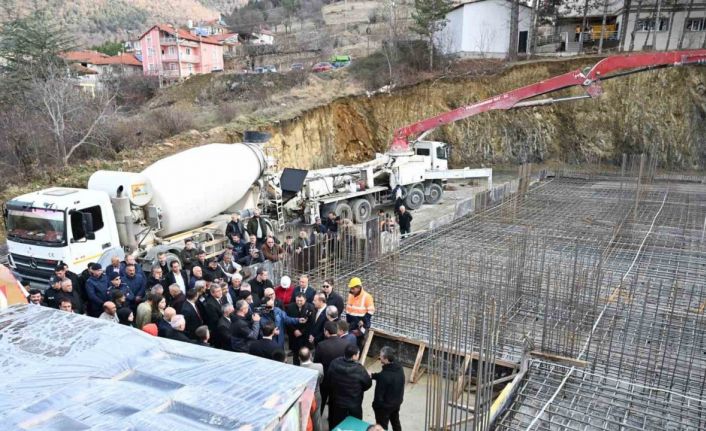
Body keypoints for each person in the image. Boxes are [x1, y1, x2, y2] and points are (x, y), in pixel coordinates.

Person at [325, 344, 373, 429]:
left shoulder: (334, 363)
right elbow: (368, 384)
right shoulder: (359, 369)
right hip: (353, 405)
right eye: (358, 354)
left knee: (336, 425)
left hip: (336, 402)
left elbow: (328, 380)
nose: (359, 355)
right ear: (354, 356)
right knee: (353, 426)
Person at [315, 321, 350, 413]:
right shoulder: (346, 344)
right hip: (339, 378)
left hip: (325, 379)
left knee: (321, 401)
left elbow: (317, 363)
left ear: (326, 332)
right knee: (334, 403)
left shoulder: (321, 345)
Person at [371, 346, 405, 431]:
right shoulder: (399, 368)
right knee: (395, 422)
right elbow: (388, 377)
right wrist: (373, 375)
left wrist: (375, 406)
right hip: (396, 402)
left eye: (381, 356)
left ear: (386, 359)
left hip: (385, 407)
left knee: (382, 427)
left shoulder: (384, 376)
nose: (380, 357)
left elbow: (379, 396)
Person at [345, 277, 375, 347]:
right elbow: (349, 308)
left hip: (361, 324)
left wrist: (363, 321)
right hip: (352, 323)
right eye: (351, 288)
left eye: (353, 288)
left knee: (359, 343)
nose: (351, 290)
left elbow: (371, 311)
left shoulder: (367, 297)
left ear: (358, 288)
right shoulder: (351, 295)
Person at [299, 347, 324, 431]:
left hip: (303, 396)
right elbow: (321, 379)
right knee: (316, 417)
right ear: (310, 355)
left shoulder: (298, 369)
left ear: (299, 358)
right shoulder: (319, 366)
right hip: (315, 394)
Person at [287, 293, 315, 364]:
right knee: (295, 355)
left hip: (305, 336)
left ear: (305, 300)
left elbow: (311, 323)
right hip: (294, 336)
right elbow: (288, 320)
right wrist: (295, 330)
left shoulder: (310, 307)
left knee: (306, 354)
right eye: (297, 300)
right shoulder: (290, 307)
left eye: (301, 301)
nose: (299, 302)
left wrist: (302, 332)